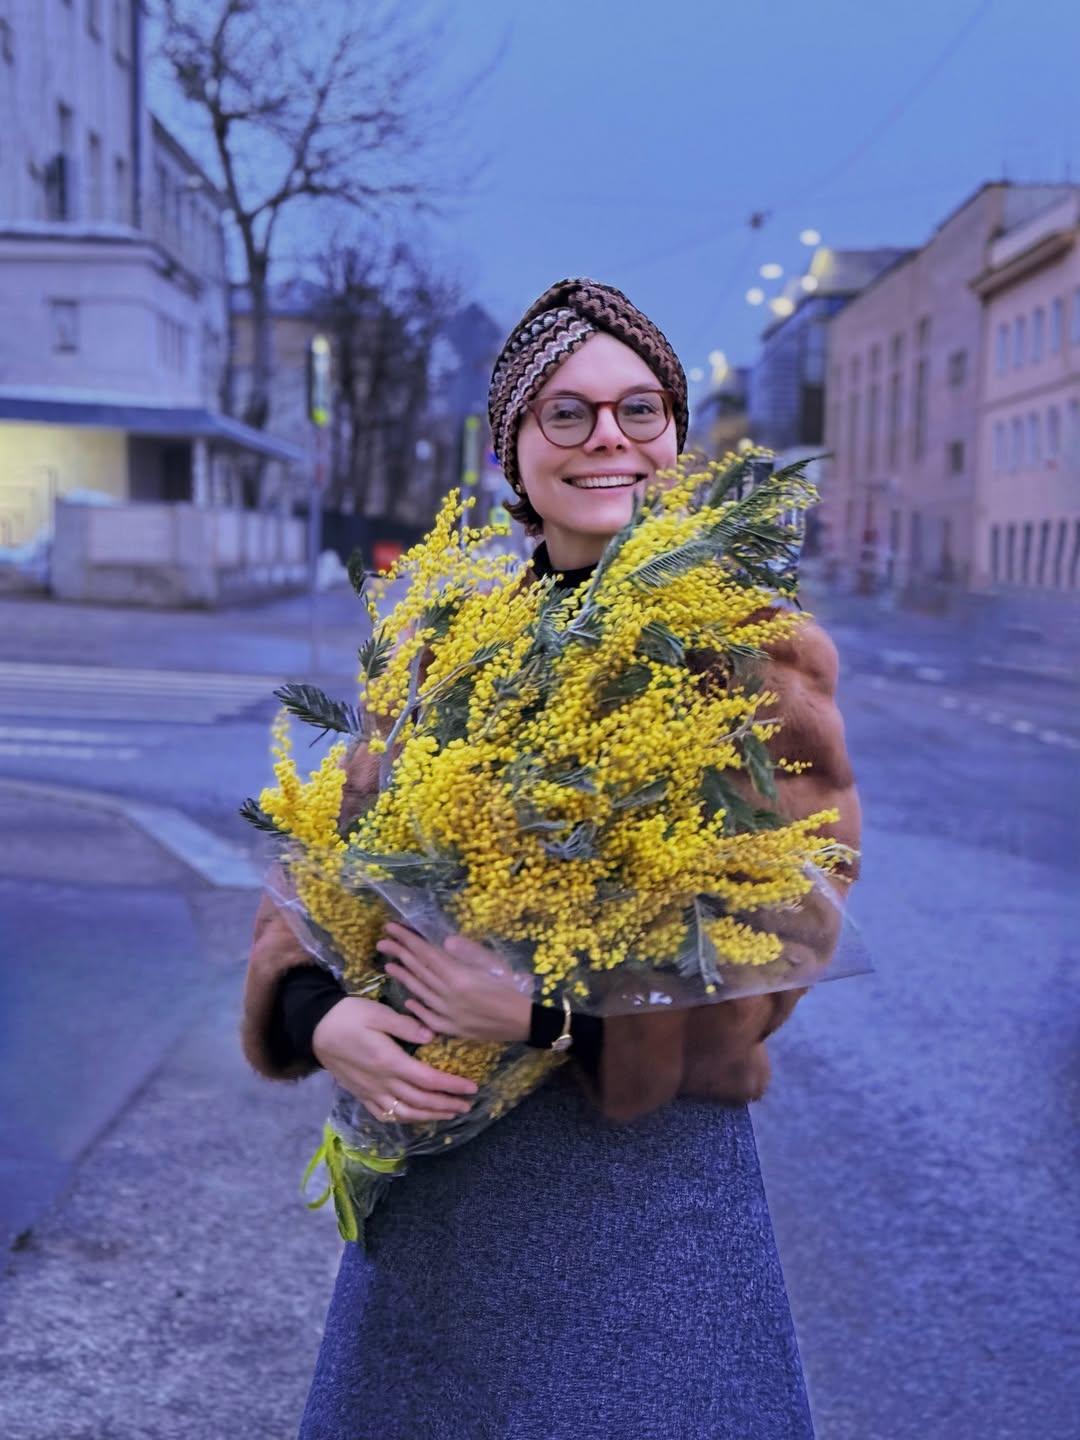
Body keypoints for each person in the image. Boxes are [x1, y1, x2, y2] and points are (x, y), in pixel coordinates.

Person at [242, 278, 861, 1439]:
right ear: (512, 450)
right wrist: (317, 1011)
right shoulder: (434, 633)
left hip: (645, 1191)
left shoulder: (748, 648)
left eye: (639, 409)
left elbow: (789, 933)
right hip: (444, 1190)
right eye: (564, 413)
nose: (607, 440)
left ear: (676, 434)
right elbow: (331, 862)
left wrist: (547, 1016)